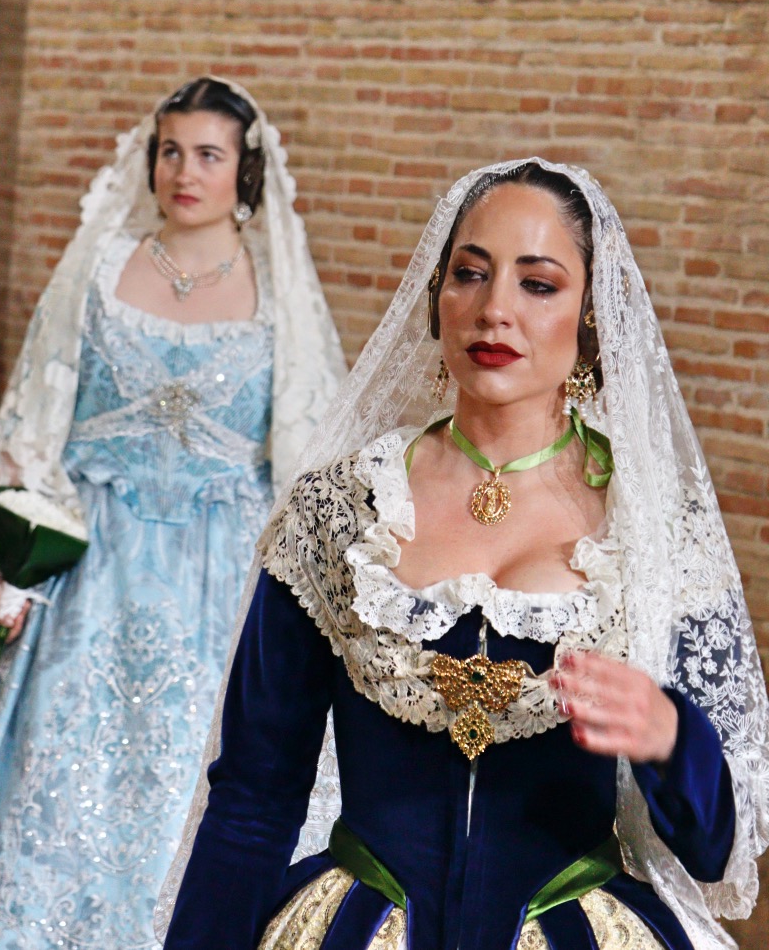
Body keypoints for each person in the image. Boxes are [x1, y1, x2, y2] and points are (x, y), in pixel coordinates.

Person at [159, 158, 769, 950]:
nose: (494, 311)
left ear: (591, 316)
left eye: (538, 284)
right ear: (435, 297)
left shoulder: (655, 530)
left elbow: (716, 851)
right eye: (470, 275)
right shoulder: (339, 513)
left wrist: (671, 739)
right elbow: (252, 798)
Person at [0, 76, 346, 950]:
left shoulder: (280, 291)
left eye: (209, 154)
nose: (185, 172)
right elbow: (34, 413)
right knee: (60, 770)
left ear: (244, 170)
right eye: (171, 151)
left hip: (220, 581)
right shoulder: (100, 266)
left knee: (192, 773)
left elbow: (306, 453)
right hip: (89, 569)